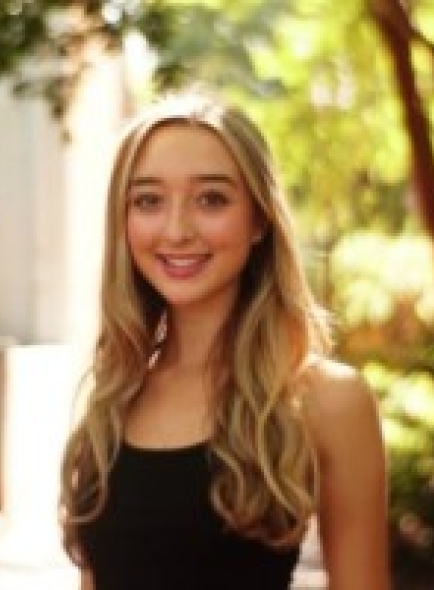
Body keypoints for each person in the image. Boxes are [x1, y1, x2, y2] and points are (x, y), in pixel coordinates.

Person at [59, 88, 390, 590]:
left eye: (211, 199)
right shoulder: (114, 393)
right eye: (148, 200)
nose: (176, 230)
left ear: (259, 219)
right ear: (123, 223)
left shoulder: (327, 400)